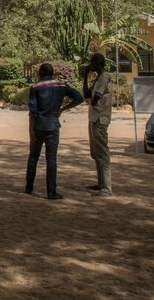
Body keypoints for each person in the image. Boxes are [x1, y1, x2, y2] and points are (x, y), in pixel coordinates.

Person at [25, 63, 84, 199]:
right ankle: (51, 192)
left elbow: (32, 111)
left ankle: (29, 187)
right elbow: (79, 98)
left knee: (33, 157)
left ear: (42, 73)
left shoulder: (35, 87)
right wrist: (63, 109)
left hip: (38, 126)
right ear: (52, 73)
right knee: (51, 160)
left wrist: (30, 129)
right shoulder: (61, 86)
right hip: (53, 125)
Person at [82, 52, 113, 196]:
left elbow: (94, 100)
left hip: (100, 119)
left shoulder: (104, 79)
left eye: (92, 63)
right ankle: (101, 183)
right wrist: (85, 77)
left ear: (98, 64)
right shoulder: (98, 78)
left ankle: (107, 188)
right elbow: (87, 95)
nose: (90, 65)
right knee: (96, 153)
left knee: (103, 153)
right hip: (94, 119)